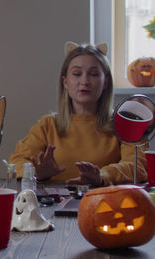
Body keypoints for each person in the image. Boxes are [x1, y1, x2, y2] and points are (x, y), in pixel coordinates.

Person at [9, 41, 147, 186]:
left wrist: (101, 176)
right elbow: (17, 162)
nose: (84, 81)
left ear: (105, 82)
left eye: (93, 74)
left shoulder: (126, 125)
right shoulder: (47, 125)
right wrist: (36, 173)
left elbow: (137, 167)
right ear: (65, 82)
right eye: (76, 74)